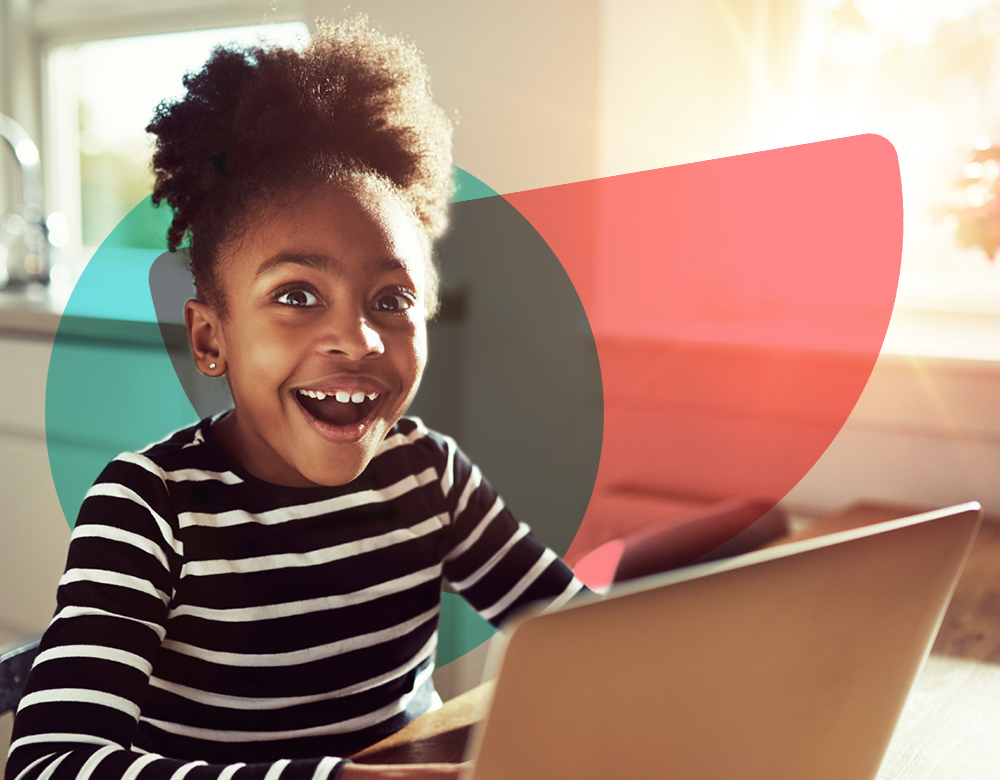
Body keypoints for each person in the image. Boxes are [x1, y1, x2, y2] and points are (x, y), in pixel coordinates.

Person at [6, 17, 586, 780]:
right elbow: (50, 764)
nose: (358, 339)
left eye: (390, 300)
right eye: (298, 294)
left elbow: (582, 642)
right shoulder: (149, 509)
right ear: (212, 339)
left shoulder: (430, 476)